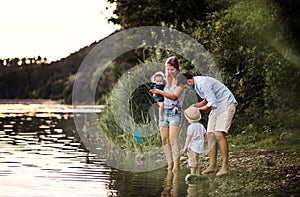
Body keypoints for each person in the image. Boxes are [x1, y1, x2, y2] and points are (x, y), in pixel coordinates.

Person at [176, 73, 237, 176]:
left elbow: (211, 104)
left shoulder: (203, 83)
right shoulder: (197, 85)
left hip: (226, 104)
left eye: (185, 87)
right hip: (217, 107)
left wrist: (197, 109)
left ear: (189, 82)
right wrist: (197, 105)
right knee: (210, 134)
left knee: (219, 134)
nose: (185, 89)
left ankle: (224, 167)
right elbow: (207, 99)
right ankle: (212, 165)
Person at [150, 56, 186, 172]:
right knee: (164, 140)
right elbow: (159, 96)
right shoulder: (165, 81)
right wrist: (156, 95)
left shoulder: (181, 81)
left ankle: (176, 166)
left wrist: (160, 91)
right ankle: (170, 164)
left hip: (175, 113)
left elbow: (174, 97)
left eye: (172, 69)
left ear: (177, 68)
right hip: (164, 112)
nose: (170, 72)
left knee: (173, 140)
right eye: (168, 70)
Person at [181, 106, 207, 181]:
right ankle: (198, 174)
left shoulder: (190, 127)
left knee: (192, 161)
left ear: (189, 119)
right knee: (198, 160)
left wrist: (185, 146)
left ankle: (192, 174)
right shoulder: (201, 126)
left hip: (192, 147)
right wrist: (204, 140)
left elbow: (188, 138)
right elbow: (205, 134)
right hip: (199, 147)